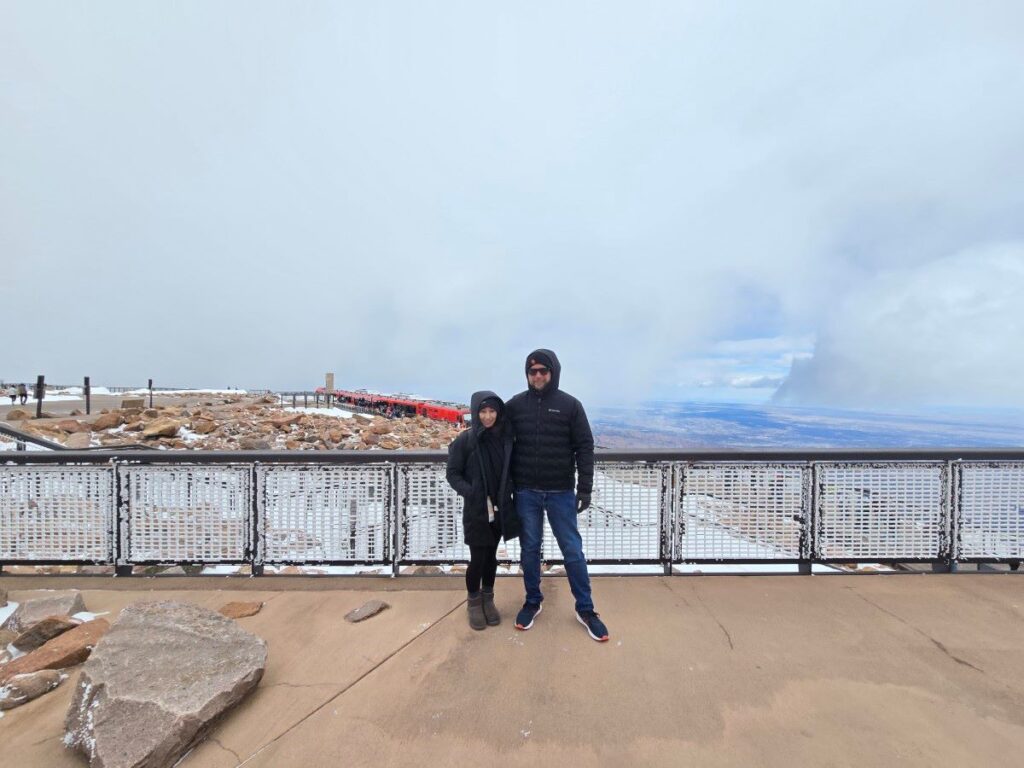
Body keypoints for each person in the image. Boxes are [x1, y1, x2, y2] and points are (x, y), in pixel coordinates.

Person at [506, 349, 609, 642]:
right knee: (529, 550)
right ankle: (532, 601)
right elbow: (494, 432)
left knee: (572, 551)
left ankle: (586, 609)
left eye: (543, 370)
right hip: (526, 492)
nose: (537, 375)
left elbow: (584, 447)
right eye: (532, 371)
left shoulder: (570, 406)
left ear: (553, 372)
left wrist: (584, 489)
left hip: (561, 492)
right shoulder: (515, 406)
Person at [445, 391, 519, 630]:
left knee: (491, 558)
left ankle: (489, 599)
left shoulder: (505, 439)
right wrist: (472, 491)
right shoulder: (465, 441)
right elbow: (453, 473)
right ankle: (473, 602)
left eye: (492, 411)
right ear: (476, 413)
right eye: (483, 412)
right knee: (477, 558)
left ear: (498, 413)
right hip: (476, 510)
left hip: (498, 509)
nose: (488, 417)